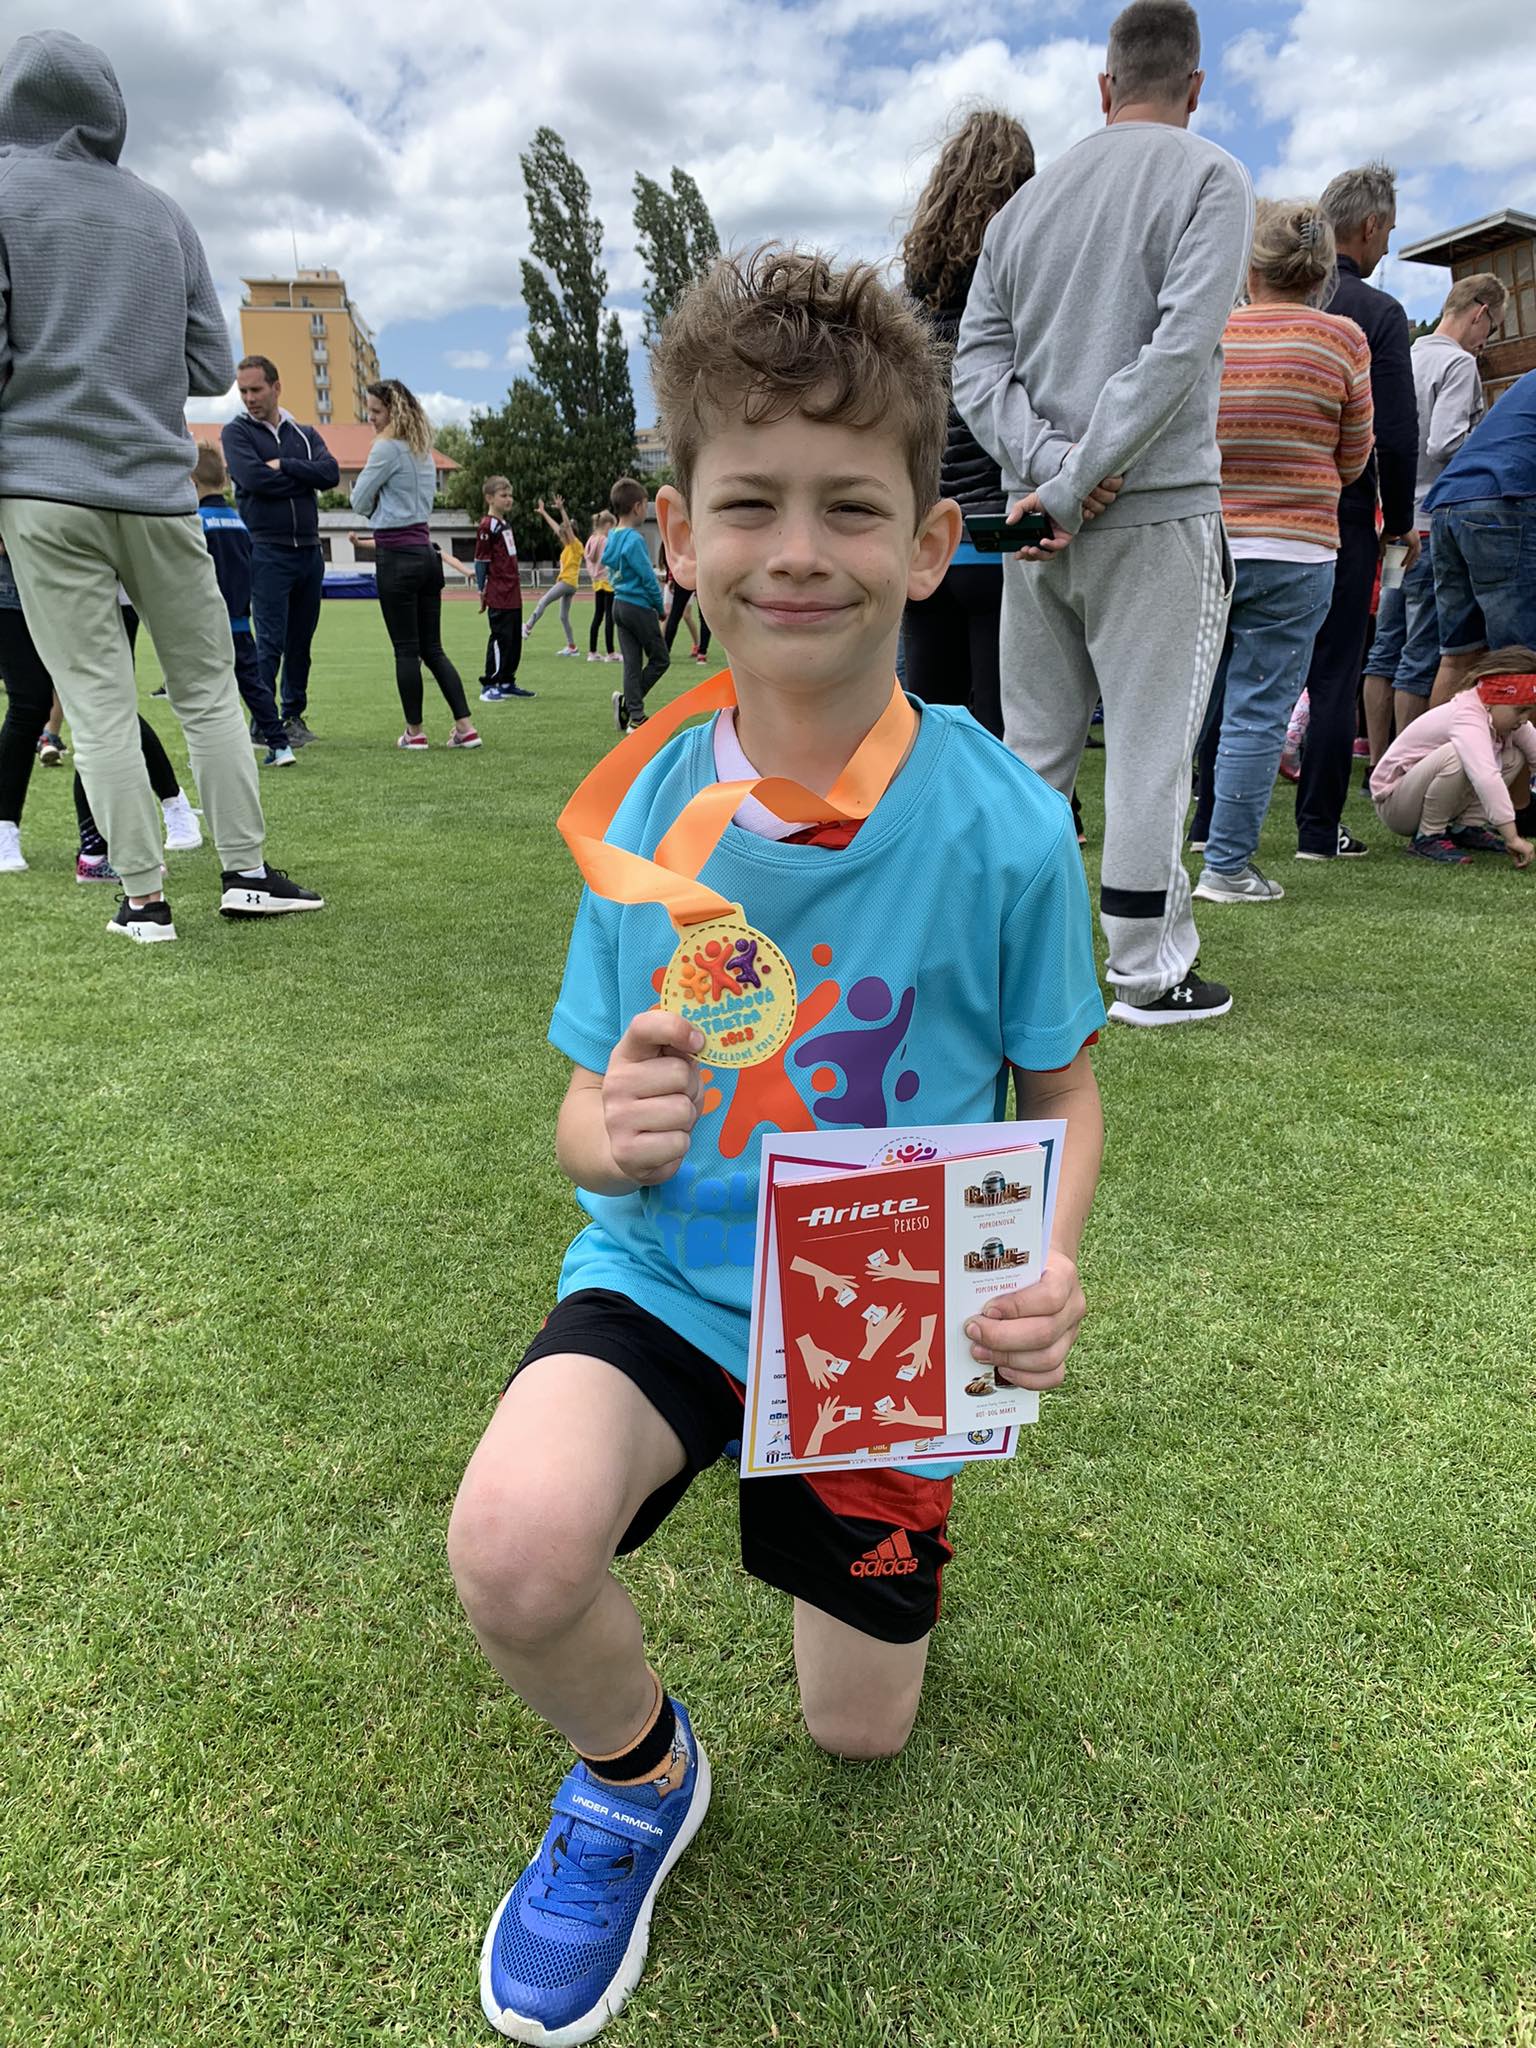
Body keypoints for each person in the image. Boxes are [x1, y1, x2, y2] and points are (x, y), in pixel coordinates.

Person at [448, 244, 1106, 2047]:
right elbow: (581, 1118)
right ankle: (634, 1777)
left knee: (856, 1729)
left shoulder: (1005, 826)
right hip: (669, 1273)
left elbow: (1060, 1090)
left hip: (883, 1315)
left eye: (850, 505)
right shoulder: (643, 815)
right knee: (513, 1545)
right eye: (750, 502)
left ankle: (865, 1567)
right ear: (677, 535)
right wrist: (615, 1128)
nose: (798, 547)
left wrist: (1045, 1258)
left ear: (932, 543)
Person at [953, 0, 1253, 1026]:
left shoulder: (1020, 211)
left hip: (1032, 521)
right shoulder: (1210, 177)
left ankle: (1006, 960)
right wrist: (1079, 478)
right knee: (1150, 746)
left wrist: (1047, 474)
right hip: (1151, 512)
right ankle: (1147, 971)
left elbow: (976, 368)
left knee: (1032, 751)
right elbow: (1179, 350)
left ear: (1104, 85)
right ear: (1195, 85)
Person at [0, 30, 321, 944]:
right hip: (157, 484)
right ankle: (247, 872)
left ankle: (143, 899)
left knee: (94, 696)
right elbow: (213, 365)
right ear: (110, 107)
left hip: (42, 489)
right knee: (208, 687)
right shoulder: (163, 213)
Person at [1189, 201, 1374, 904]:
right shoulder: (1344, 339)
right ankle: (1227, 868)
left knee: (1181, 706)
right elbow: (1354, 458)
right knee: (1259, 711)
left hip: (1205, 542)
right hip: (1299, 549)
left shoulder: (1212, 331)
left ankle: (1158, 856)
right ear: (1322, 272)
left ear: (1251, 267)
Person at [1285, 161, 1417, 862]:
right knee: (1335, 670)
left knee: (1241, 663)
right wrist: (1399, 522)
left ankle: (1208, 816)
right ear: (1369, 227)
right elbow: (1393, 434)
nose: (1388, 244)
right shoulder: (1378, 313)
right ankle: (1317, 827)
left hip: (1249, 512)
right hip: (1340, 511)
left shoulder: (1267, 304)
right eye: (1388, 231)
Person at [901, 108, 1036, 739]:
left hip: (928, 542)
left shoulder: (910, 302)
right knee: (1011, 745)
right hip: (1002, 536)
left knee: (929, 741)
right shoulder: (1023, 292)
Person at [1361, 274, 1507, 765]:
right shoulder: (1458, 363)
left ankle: (1378, 760)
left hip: (1394, 523)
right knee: (1421, 652)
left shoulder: (1406, 355)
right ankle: (1407, 768)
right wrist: (1487, 448)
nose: (1486, 343)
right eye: (1492, 329)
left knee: (1385, 645)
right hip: (1428, 525)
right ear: (1480, 312)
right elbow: (1444, 442)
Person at [351, 379, 480, 750]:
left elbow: (358, 501)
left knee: (406, 650)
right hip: (426, 554)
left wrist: (377, 505)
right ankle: (465, 727)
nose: (371, 418)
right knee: (433, 649)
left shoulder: (385, 449)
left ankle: (415, 732)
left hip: (396, 558)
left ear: (393, 412)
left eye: (376, 411)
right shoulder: (423, 450)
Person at [221, 354, 339, 748]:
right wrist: (305, 479)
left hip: (309, 551)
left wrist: (285, 465)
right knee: (269, 641)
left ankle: (293, 715)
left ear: (276, 387)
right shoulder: (236, 433)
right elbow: (254, 479)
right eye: (243, 391)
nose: (249, 398)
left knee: (300, 642)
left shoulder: (303, 433)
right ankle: (262, 723)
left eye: (256, 389)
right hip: (266, 550)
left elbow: (330, 473)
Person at [1424, 370, 1536, 704]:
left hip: (1449, 504)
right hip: (1503, 504)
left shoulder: (1528, 382)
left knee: (1458, 656)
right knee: (1520, 658)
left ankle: (1438, 740)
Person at [1369, 646, 1536, 865]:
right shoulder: (1466, 717)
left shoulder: (1499, 715)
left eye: (1529, 710)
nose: (1524, 719)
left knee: (1514, 757)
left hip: (1420, 797)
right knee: (1457, 756)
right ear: (1493, 699)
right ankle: (1428, 836)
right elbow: (1486, 777)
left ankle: (1468, 828)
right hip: (1395, 806)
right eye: (1520, 710)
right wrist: (1512, 837)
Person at [192, 444, 294, 768]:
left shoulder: (196, 523)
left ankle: (211, 754)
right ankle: (280, 745)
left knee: (207, 692)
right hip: (239, 621)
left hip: (208, 625)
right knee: (254, 686)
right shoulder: (238, 521)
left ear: (191, 483)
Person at [603, 479, 669, 732]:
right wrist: (659, 607)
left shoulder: (612, 537)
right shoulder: (634, 540)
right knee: (660, 659)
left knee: (631, 664)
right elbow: (648, 578)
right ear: (637, 507)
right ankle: (632, 707)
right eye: (645, 504)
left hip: (618, 604)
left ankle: (635, 716)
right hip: (638, 606)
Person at [477, 476, 535, 701]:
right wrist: (481, 589)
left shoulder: (505, 525)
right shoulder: (487, 525)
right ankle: (490, 684)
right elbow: (481, 560)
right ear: (490, 498)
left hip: (513, 592)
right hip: (498, 592)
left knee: (513, 639)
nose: (509, 499)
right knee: (500, 638)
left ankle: (507, 680)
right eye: (503, 495)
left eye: (510, 495)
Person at [524, 497, 582, 653]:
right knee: (563, 616)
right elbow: (557, 527)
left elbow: (566, 527)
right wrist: (544, 513)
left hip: (566, 582)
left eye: (563, 535)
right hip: (570, 585)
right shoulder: (568, 547)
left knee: (543, 601)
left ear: (569, 534)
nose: (560, 537)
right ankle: (572, 647)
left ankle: (528, 626)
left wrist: (562, 509)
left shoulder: (575, 545)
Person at [659, 539, 711, 663]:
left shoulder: (683, 538)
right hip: (699, 575)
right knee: (703, 617)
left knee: (675, 614)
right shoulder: (701, 538)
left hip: (685, 575)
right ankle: (702, 653)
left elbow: (674, 557)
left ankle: (666, 651)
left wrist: (672, 578)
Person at [585, 511, 618, 663]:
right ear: (608, 525)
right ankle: (610, 653)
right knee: (610, 617)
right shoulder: (604, 540)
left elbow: (589, 559)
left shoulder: (591, 539)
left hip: (597, 582)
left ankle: (592, 652)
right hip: (607, 581)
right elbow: (609, 559)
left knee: (598, 616)